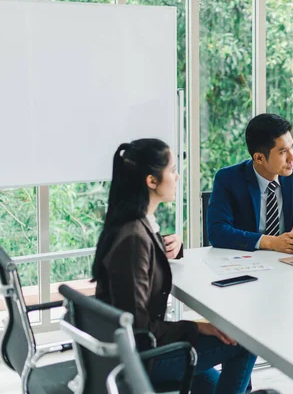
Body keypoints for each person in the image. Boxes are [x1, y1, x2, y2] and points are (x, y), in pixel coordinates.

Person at [92, 138, 256, 393]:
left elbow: (146, 260)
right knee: (244, 342)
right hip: (142, 360)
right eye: (171, 170)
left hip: (133, 351)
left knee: (212, 377)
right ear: (151, 181)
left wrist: (173, 247)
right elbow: (139, 327)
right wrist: (196, 326)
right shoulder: (133, 238)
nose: (177, 177)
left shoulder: (132, 223)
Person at [207, 113, 293, 254]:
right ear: (259, 158)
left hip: (288, 259)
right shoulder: (228, 179)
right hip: (247, 260)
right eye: (282, 151)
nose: (292, 157)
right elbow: (217, 232)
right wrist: (271, 242)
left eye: (291, 147)